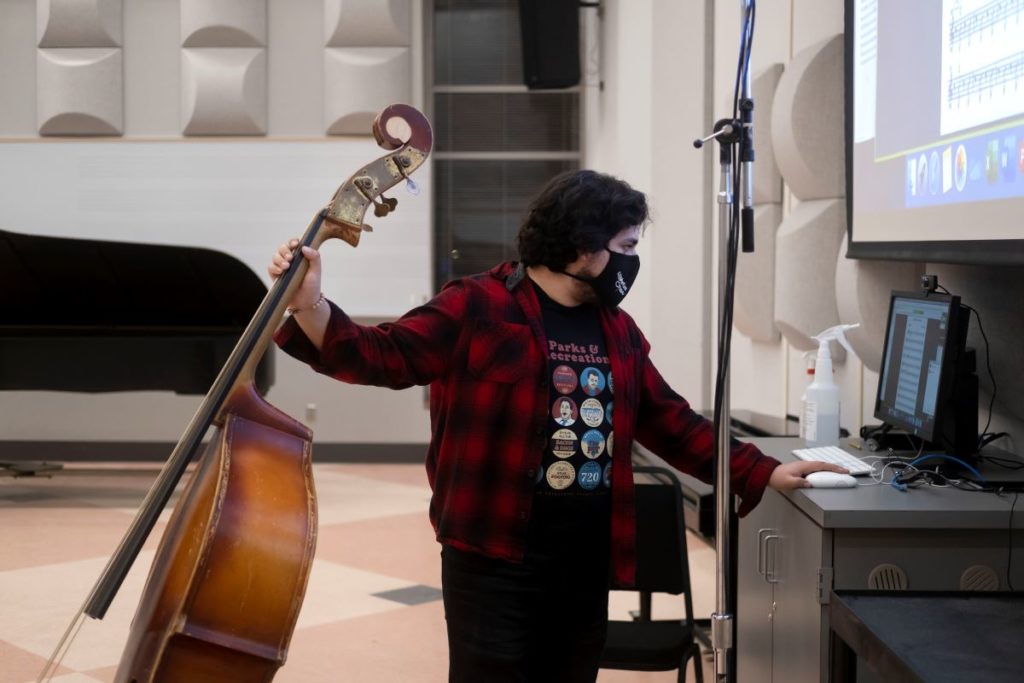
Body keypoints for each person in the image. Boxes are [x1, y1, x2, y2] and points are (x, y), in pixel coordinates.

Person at [268, 169, 845, 683]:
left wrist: (764, 471)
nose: (630, 261)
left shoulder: (617, 329)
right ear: (583, 245)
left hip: (585, 558)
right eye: (624, 246)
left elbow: (669, 420)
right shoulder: (476, 305)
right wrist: (310, 305)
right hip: (492, 554)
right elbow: (379, 355)